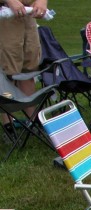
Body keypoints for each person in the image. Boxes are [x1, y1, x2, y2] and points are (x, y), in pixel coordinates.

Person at [0, 0, 49, 130]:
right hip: (4, 16)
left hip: (28, 16)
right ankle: (8, 124)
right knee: (7, 71)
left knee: (29, 69)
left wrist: (41, 2)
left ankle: (32, 121)